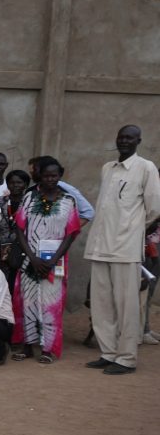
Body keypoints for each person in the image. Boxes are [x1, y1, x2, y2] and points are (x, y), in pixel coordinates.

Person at [83, 125, 160, 375]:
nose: (124, 141)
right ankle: (108, 352)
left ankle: (126, 358)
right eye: (121, 137)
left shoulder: (146, 168)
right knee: (102, 304)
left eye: (129, 138)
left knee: (127, 306)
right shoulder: (108, 168)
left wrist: (131, 230)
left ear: (139, 140)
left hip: (125, 248)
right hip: (99, 246)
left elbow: (154, 210)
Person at [10, 157, 81, 363]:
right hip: (29, 261)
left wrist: (52, 260)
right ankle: (27, 347)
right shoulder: (29, 198)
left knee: (51, 304)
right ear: (39, 175)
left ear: (60, 175)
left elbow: (71, 233)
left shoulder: (69, 201)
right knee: (28, 302)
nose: (50, 179)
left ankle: (48, 349)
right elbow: (20, 229)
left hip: (54, 263)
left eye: (54, 175)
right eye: (46, 175)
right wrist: (32, 257)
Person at [0, 169, 31, 289]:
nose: (15, 185)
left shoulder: (30, 203)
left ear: (26, 185)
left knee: (18, 284)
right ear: (7, 184)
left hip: (21, 250)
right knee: (0, 284)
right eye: (12, 182)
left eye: (19, 182)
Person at [28, 156, 95, 225]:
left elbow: (88, 212)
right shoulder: (31, 191)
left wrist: (67, 231)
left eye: (34, 171)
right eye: (31, 173)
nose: (32, 175)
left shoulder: (64, 188)